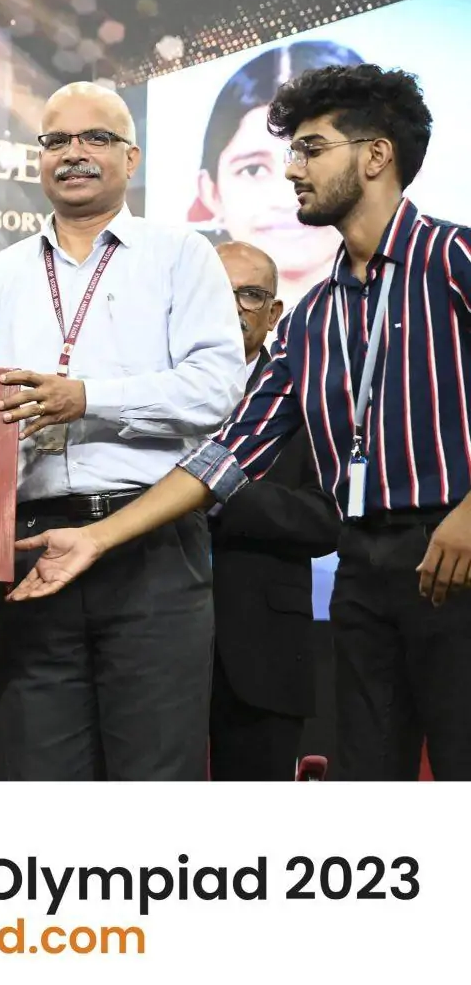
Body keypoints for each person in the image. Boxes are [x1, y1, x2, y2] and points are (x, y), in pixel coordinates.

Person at [14, 63, 471, 781]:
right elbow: (224, 459)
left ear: (376, 155)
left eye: (311, 149)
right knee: (371, 788)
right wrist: (95, 539)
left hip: (459, 548)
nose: (293, 170)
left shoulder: (456, 259)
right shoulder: (310, 318)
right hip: (362, 570)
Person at [0, 81, 246, 781]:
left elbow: (216, 388)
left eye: (95, 138)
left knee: (154, 773)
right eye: (56, 140)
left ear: (131, 157)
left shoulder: (181, 254)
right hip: (30, 547)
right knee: (39, 774)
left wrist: (87, 399)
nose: (73, 153)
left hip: (150, 543)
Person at [208, 242, 341, 780]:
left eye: (249, 294)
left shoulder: (313, 398)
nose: (232, 307)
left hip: (264, 649)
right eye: (217, 292)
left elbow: (329, 517)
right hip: (150, 644)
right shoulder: (151, 389)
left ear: (273, 313)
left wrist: (215, 492)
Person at [196, 41, 364, 311]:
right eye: (253, 169)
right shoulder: (186, 316)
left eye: (314, 157)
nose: (287, 199)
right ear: (211, 193)